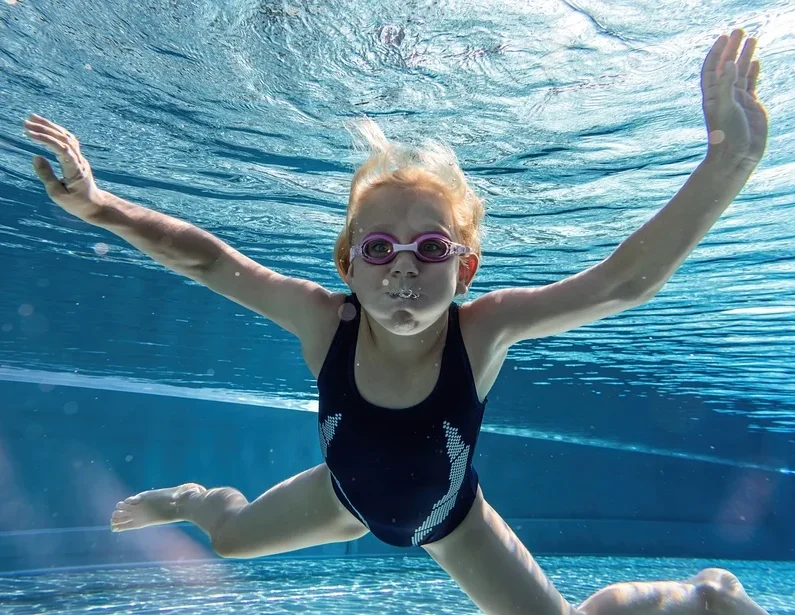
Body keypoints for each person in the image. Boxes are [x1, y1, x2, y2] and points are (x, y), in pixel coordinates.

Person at [24, 28, 770, 615]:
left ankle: (701, 595)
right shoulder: (325, 321)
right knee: (227, 533)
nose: (403, 267)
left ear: (464, 267)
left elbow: (617, 284)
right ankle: (191, 497)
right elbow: (212, 262)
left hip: (451, 521)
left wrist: (725, 164)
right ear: (347, 264)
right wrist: (99, 206)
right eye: (379, 248)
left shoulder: (482, 330)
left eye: (430, 247)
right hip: (340, 497)